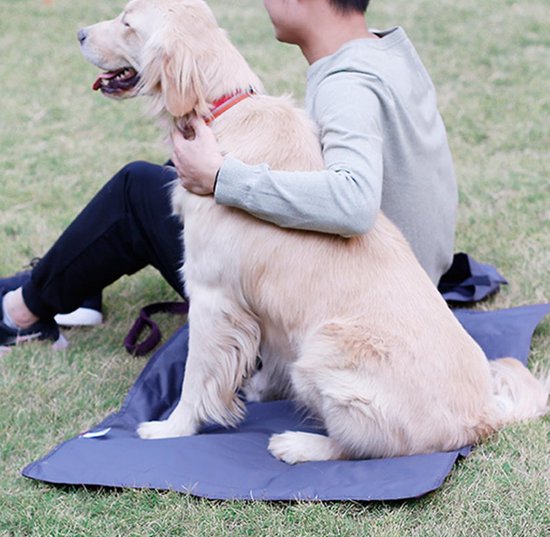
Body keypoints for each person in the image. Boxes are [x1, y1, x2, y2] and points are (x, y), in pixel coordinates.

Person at [0, 0, 457, 347]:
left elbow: (353, 203)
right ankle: (71, 283)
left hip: (352, 303)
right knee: (173, 173)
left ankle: (25, 313)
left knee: (138, 189)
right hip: (395, 282)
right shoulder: (382, 51)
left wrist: (221, 178)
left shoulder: (346, 84)